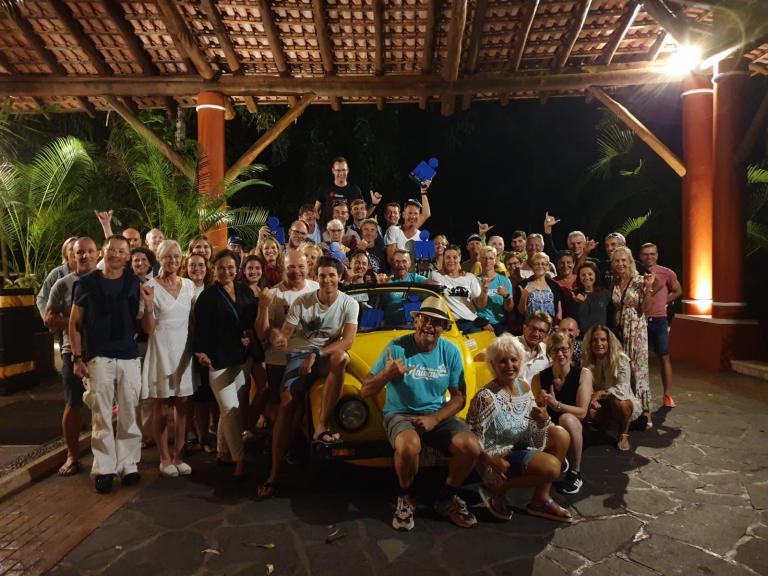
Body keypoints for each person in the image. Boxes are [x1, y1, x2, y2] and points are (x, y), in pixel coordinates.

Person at [361, 296, 481, 531]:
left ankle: (446, 497)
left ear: (443, 328)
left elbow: (459, 397)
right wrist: (386, 375)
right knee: (409, 446)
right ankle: (406, 496)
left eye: (436, 322)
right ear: (415, 322)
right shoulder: (397, 347)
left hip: (436, 413)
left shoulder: (451, 351)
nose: (429, 326)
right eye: (424, 319)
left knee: (471, 447)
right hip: (400, 413)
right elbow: (365, 390)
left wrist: (434, 419)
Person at [258, 256, 358, 496]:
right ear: (317, 277)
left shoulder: (349, 303)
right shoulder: (303, 302)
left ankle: (322, 425)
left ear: (339, 277)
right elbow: (286, 332)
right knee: (286, 406)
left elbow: (347, 341)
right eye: (322, 275)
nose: (327, 280)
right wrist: (279, 338)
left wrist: (316, 354)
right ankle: (274, 472)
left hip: (325, 354)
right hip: (299, 355)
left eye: (332, 275)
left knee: (341, 358)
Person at [467, 334, 572, 522]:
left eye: (514, 360)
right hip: (496, 458)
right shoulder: (486, 397)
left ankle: (540, 499)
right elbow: (471, 439)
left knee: (561, 435)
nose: (509, 366)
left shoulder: (523, 386)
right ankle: (497, 488)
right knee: (552, 468)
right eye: (502, 361)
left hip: (520, 446)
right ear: (492, 365)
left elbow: (532, 432)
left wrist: (543, 420)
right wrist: (490, 460)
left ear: (521, 361)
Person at [68, 235, 143, 494]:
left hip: (129, 355)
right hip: (98, 356)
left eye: (121, 251)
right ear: (103, 252)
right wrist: (77, 357)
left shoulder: (134, 282)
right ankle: (104, 468)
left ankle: (129, 464)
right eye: (111, 250)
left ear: (127, 256)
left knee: (129, 411)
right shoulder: (86, 283)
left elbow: (138, 318)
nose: (115, 255)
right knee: (101, 414)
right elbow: (74, 323)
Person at [193, 250, 257, 478]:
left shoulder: (245, 291)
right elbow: (200, 329)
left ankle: (222, 452)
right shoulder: (207, 296)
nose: (226, 272)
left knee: (232, 409)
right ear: (214, 269)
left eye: (230, 267)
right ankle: (239, 459)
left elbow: (252, 323)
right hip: (217, 360)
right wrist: (201, 353)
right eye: (221, 268)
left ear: (237, 269)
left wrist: (249, 336)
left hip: (241, 358)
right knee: (229, 410)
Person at [140, 240, 196, 478]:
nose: (173, 261)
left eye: (176, 256)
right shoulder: (149, 287)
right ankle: (164, 458)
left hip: (184, 352)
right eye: (168, 256)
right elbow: (148, 328)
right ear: (159, 258)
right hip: (161, 351)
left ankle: (179, 457)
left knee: (183, 405)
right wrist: (148, 305)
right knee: (161, 407)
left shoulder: (189, 285)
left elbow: (194, 321)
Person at [44, 237, 99, 477]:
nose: (85, 256)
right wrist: (75, 322)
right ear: (72, 256)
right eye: (80, 252)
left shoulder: (107, 280)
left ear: (98, 254)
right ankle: (72, 456)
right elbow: (48, 318)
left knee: (106, 405)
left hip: (103, 352)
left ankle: (108, 458)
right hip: (72, 353)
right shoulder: (63, 284)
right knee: (73, 403)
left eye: (89, 251)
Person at [255, 252, 319, 438]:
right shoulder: (274, 293)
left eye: (301, 266)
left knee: (302, 406)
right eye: (291, 267)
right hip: (280, 362)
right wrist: (263, 307)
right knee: (280, 408)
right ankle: (276, 443)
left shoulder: (316, 288)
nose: (296, 271)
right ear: (283, 268)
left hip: (309, 359)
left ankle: (293, 443)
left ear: (308, 267)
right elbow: (262, 333)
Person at [532, 332, 593, 495]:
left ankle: (575, 472)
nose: (560, 354)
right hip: (549, 427)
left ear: (571, 350)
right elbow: (537, 412)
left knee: (567, 419)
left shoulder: (583, 374)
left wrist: (557, 405)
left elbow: (582, 412)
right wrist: (541, 404)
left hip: (576, 429)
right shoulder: (539, 378)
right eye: (555, 350)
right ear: (549, 353)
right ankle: (560, 458)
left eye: (564, 349)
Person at [611, 246, 654, 424]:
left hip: (636, 330)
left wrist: (649, 288)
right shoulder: (614, 282)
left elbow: (645, 308)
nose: (620, 264)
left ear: (630, 262)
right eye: (616, 261)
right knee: (623, 369)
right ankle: (629, 408)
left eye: (623, 260)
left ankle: (645, 410)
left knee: (638, 369)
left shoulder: (639, 281)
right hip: (619, 330)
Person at [582, 325, 641, 451]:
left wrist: (601, 393)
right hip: (602, 401)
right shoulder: (589, 359)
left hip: (620, 398)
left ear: (610, 342)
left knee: (620, 403)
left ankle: (623, 433)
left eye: (603, 340)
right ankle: (605, 426)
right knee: (587, 410)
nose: (599, 343)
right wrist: (592, 398)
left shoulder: (621, 359)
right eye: (595, 340)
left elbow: (623, 388)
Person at [180, 254, 217, 452]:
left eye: (201, 265)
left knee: (203, 396)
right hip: (182, 348)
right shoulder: (180, 288)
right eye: (192, 265)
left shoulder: (211, 290)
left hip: (204, 348)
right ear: (185, 268)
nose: (197, 269)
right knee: (185, 396)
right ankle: (184, 438)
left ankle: (204, 438)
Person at [638, 243, 682, 408]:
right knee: (638, 358)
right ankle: (638, 395)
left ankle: (667, 394)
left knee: (664, 356)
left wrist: (664, 301)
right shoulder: (636, 272)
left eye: (652, 254)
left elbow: (678, 290)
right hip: (639, 319)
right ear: (640, 256)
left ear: (657, 255)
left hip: (659, 319)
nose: (649, 257)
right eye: (645, 254)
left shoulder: (667, 273)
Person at [429, 244, 490, 334]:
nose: (451, 260)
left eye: (455, 257)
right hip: (449, 324)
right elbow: (424, 287)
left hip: (471, 322)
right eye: (448, 257)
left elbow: (481, 305)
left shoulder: (470, 277)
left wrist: (484, 291)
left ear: (460, 258)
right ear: (443, 259)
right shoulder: (436, 275)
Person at [384, 185, 432, 266]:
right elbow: (390, 259)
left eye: (415, 213)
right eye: (410, 213)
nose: (413, 216)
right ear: (403, 215)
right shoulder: (393, 230)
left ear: (418, 216)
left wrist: (423, 193)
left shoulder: (423, 236)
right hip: (398, 273)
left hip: (415, 274)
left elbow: (424, 265)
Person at [37, 236, 78, 317]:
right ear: (65, 253)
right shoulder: (57, 273)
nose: (75, 251)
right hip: (62, 321)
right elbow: (42, 298)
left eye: (77, 248)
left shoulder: (89, 273)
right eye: (71, 249)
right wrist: (48, 317)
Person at [476, 246, 514, 334]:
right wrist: (484, 290)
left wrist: (506, 296)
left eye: (491, 258)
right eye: (484, 258)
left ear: (495, 260)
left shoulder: (504, 281)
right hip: (481, 324)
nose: (487, 261)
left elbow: (509, 308)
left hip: (499, 324)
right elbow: (477, 307)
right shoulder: (474, 280)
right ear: (480, 260)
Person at [315, 157, 365, 224]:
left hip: (348, 229)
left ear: (347, 170)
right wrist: (321, 226)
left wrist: (374, 204)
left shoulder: (355, 190)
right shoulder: (325, 188)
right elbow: (315, 210)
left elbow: (362, 214)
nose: (341, 173)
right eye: (338, 170)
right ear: (333, 171)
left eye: (344, 170)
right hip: (327, 229)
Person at [518, 252, 563, 322]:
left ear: (548, 267)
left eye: (543, 264)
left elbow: (559, 310)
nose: (540, 266)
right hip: (531, 325)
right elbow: (521, 312)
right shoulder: (523, 285)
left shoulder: (554, 285)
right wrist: (524, 296)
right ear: (532, 266)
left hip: (550, 326)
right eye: (537, 264)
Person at [571, 261, 611, 333]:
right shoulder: (575, 294)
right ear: (579, 277)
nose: (587, 277)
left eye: (590, 274)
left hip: (600, 335)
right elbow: (573, 319)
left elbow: (610, 317)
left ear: (595, 275)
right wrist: (577, 303)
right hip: (582, 336)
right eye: (583, 275)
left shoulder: (605, 293)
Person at [515, 311, 553, 384]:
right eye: (533, 328)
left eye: (541, 331)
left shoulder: (547, 352)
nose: (536, 334)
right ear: (524, 327)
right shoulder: (510, 346)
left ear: (546, 335)